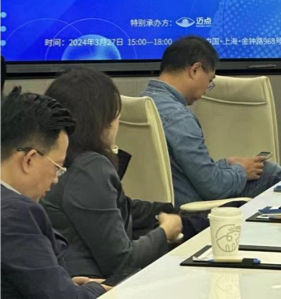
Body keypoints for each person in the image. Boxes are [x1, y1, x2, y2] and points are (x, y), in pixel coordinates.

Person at [41, 68, 183, 281]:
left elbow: (117, 207)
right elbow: (121, 263)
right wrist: (166, 232)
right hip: (96, 286)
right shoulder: (89, 168)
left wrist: (172, 211)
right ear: (102, 122)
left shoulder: (57, 162)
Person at [142, 36, 281, 208]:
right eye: (209, 80)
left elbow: (178, 172)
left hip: (151, 208)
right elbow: (213, 187)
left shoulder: (143, 104)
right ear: (195, 70)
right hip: (191, 209)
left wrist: (226, 164)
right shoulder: (179, 118)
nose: (206, 89)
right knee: (269, 173)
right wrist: (242, 170)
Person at [0, 88, 109, 298]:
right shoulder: (15, 212)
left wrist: (62, 281)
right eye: (57, 167)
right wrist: (96, 289)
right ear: (29, 159)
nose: (56, 178)